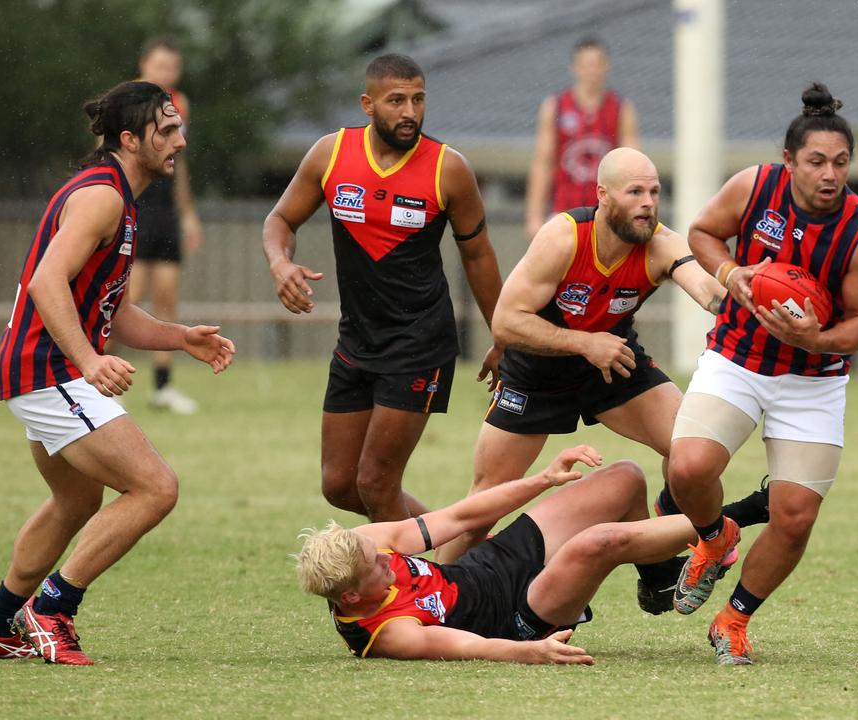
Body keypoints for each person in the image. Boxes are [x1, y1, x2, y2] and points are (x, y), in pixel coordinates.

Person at [0, 81, 236, 665]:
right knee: (156, 488)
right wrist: (87, 361)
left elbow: (108, 310)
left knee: (75, 501)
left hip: (39, 369)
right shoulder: (103, 197)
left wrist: (179, 337)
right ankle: (52, 609)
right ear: (130, 138)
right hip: (49, 369)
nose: (180, 141)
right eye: (167, 130)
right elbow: (45, 282)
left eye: (179, 127)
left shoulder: (120, 197)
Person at [667, 83, 858, 665]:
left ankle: (733, 620)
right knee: (687, 468)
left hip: (812, 381)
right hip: (738, 357)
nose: (830, 174)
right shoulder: (755, 186)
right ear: (788, 161)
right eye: (816, 161)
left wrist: (815, 339)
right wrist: (730, 270)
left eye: (841, 163)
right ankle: (717, 537)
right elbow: (700, 233)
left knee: (794, 517)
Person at [433, 147, 728, 579]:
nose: (648, 202)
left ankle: (666, 548)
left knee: (693, 452)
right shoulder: (565, 237)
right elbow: (506, 323)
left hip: (613, 364)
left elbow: (706, 290)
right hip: (537, 372)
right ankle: (435, 594)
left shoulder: (662, 244)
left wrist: (747, 294)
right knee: (487, 498)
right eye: (635, 192)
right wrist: (585, 344)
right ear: (603, 195)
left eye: (654, 191)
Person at [263, 53, 503, 523]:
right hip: (356, 339)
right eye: (397, 101)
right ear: (368, 104)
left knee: (375, 482)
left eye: (418, 99)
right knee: (339, 485)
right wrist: (279, 263)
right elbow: (280, 219)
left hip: (420, 342)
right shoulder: (331, 153)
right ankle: (453, 545)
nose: (410, 112)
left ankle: (411, 589)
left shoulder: (447, 169)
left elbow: (478, 256)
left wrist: (504, 336)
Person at [295, 444, 771, 663]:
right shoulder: (388, 633)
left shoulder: (366, 544)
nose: (385, 557)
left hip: (487, 568)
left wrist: (543, 479)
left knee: (624, 479)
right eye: (376, 567)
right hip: (518, 615)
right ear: (354, 597)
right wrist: (533, 652)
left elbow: (461, 518)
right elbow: (473, 647)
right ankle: (747, 512)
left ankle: (659, 580)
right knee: (599, 542)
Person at [129, 37, 207, 414]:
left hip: (165, 212)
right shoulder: (124, 103)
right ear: (144, 64)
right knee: (124, 299)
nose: (166, 75)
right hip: (133, 207)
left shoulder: (180, 104)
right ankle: (95, 382)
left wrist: (188, 213)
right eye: (160, 66)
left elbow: (180, 162)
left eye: (173, 68)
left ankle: (162, 387)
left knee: (166, 297)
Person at [524, 36, 640, 240]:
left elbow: (633, 167)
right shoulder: (556, 107)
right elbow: (543, 163)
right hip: (564, 212)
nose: (591, 71)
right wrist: (534, 216)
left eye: (596, 65)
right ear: (574, 68)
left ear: (606, 67)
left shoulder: (621, 109)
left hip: (607, 213)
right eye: (586, 65)